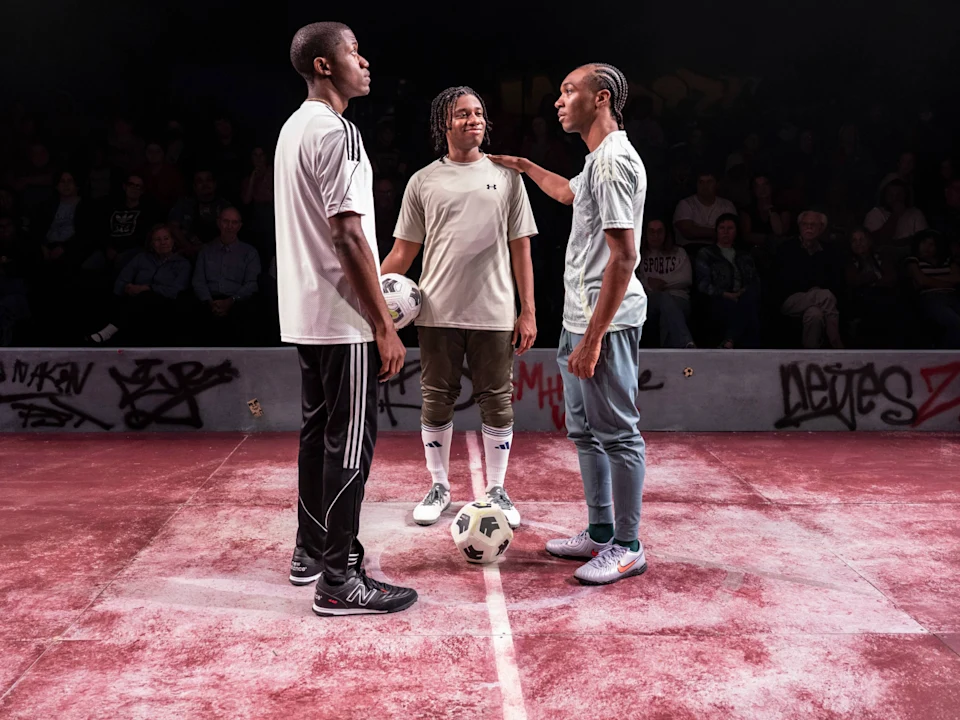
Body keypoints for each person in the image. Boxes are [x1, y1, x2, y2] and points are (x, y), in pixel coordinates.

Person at [274, 21, 416, 615]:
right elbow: (349, 233)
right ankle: (340, 579)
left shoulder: (291, 129)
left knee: (317, 437)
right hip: (344, 317)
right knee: (349, 446)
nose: (365, 60)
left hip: (305, 312)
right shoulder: (338, 131)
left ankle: (311, 552)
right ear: (325, 66)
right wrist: (383, 323)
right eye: (354, 51)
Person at [490, 62, 648, 586]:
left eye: (567, 91)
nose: (558, 101)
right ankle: (600, 532)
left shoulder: (614, 163)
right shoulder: (597, 162)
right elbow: (567, 194)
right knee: (585, 431)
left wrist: (595, 339)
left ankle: (627, 546)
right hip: (579, 319)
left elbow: (624, 257)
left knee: (619, 435)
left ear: (600, 98)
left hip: (605, 324)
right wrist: (524, 165)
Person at [380, 86, 538, 529]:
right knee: (436, 401)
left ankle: (497, 489)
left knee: (498, 403)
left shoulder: (507, 177)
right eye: (463, 114)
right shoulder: (423, 181)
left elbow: (521, 248)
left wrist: (528, 311)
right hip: (436, 312)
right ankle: (438, 485)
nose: (475, 119)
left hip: (494, 310)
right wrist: (370, 294)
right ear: (443, 125)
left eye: (479, 113)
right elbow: (402, 254)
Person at [86, 224, 190, 345]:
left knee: (145, 297)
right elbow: (123, 278)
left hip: (165, 303)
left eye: (166, 238)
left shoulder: (183, 264)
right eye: (157, 240)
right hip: (135, 299)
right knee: (110, 296)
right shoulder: (142, 258)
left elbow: (175, 290)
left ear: (173, 241)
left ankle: (108, 332)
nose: (162, 243)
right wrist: (126, 289)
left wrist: (147, 288)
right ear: (151, 244)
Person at [694, 214, 762, 348]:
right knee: (748, 311)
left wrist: (742, 292)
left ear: (736, 231)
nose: (725, 232)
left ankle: (730, 339)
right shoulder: (706, 253)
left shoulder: (744, 254)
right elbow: (703, 284)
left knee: (750, 299)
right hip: (718, 298)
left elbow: (754, 280)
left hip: (743, 296)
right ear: (716, 231)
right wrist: (726, 294)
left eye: (730, 228)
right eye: (722, 228)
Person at [637, 218, 695, 348]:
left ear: (666, 234)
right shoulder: (639, 254)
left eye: (659, 231)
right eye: (651, 231)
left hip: (679, 299)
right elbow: (636, 280)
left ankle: (667, 356)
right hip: (648, 302)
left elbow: (686, 279)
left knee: (666, 308)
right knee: (663, 298)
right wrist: (649, 284)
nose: (655, 235)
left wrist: (662, 284)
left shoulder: (679, 252)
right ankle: (685, 344)